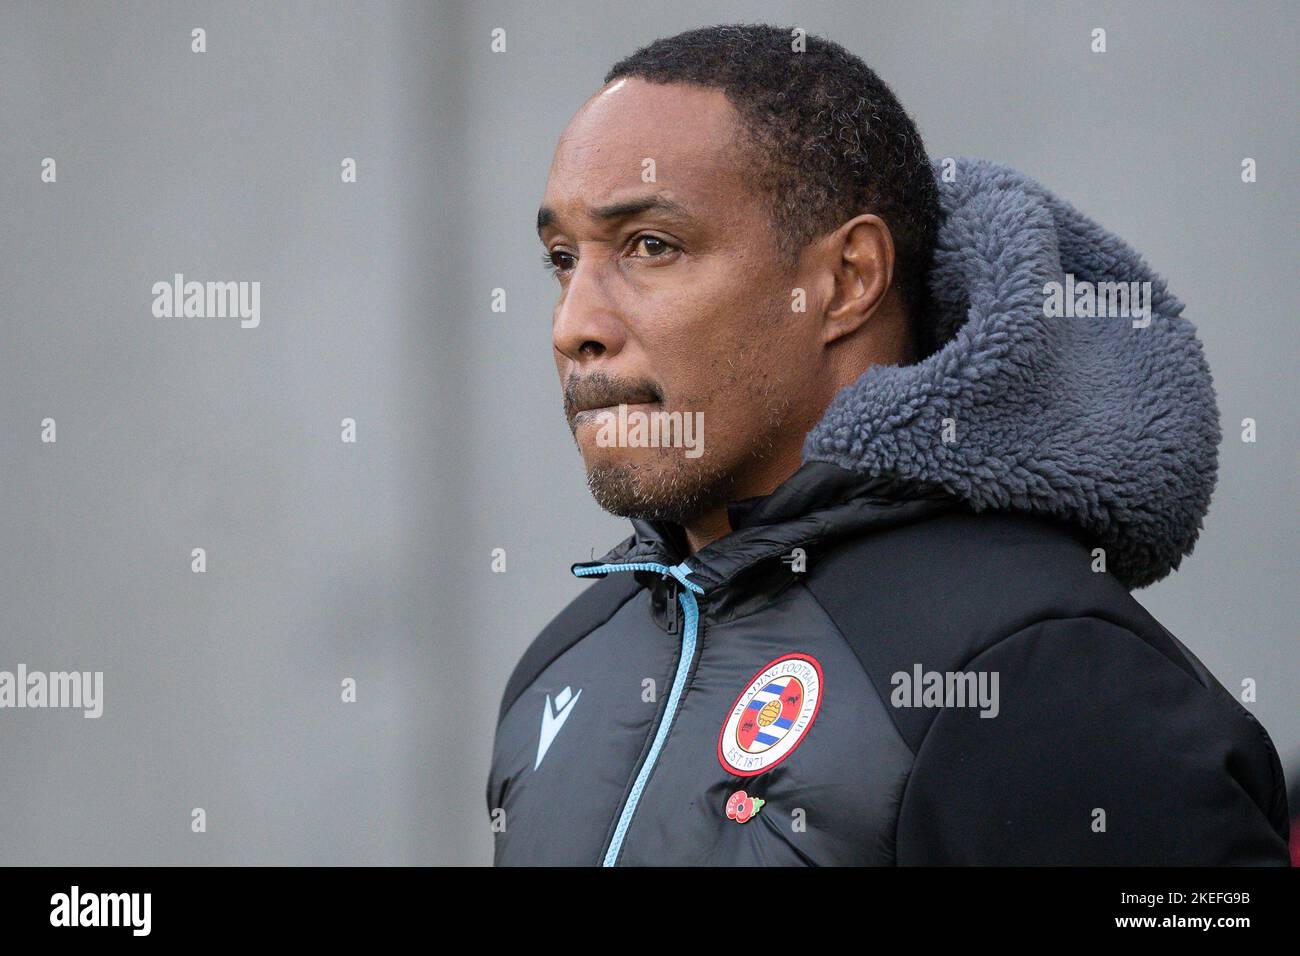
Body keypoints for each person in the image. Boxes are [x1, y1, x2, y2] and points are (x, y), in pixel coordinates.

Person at [486, 23, 1291, 866]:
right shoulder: (563, 666)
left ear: (846, 280)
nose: (575, 325)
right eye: (562, 259)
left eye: (651, 246)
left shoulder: (1041, 673)